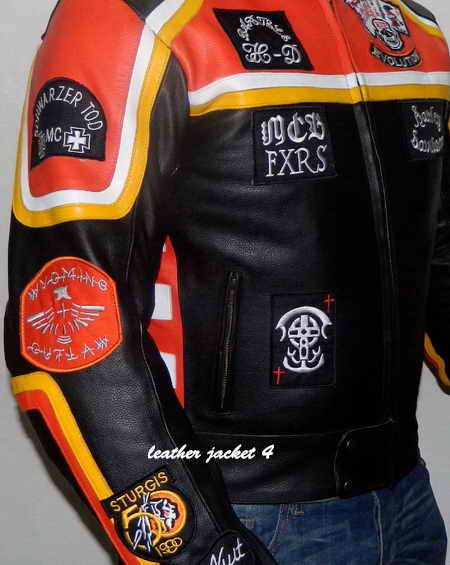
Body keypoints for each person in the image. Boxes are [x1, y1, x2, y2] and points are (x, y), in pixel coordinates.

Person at [4, 0, 450, 563]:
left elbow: (437, 249)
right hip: (243, 510)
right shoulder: (130, 16)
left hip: (408, 505)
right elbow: (65, 319)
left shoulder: (409, 26)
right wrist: (197, 545)